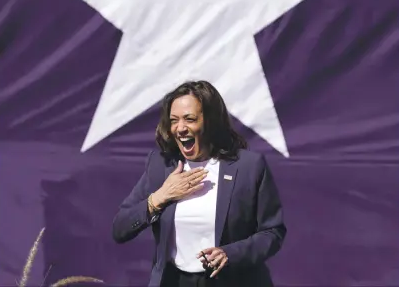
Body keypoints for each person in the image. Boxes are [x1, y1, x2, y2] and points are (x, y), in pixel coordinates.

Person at [113, 80, 286, 287]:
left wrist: (231, 254)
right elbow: (120, 228)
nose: (180, 128)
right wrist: (160, 197)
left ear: (211, 122)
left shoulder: (248, 166)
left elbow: (272, 232)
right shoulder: (161, 166)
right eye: (174, 120)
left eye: (190, 119)